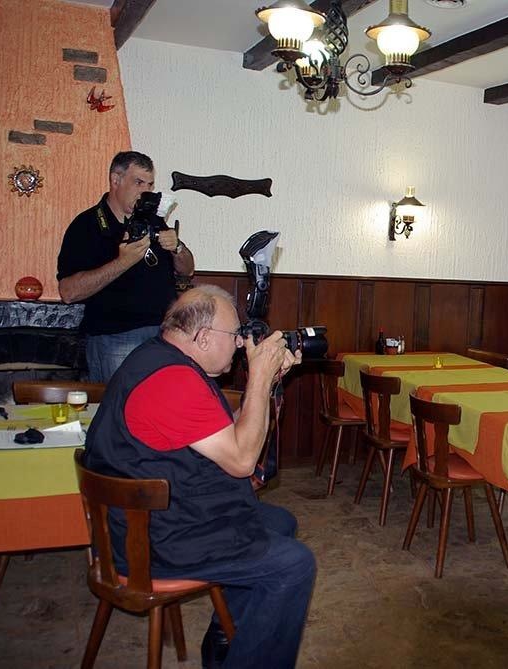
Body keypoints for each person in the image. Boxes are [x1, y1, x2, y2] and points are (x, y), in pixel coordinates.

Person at [82, 285, 315, 669]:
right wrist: (258, 379)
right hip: (148, 542)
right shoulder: (172, 382)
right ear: (203, 337)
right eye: (235, 334)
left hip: (153, 517)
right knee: (294, 564)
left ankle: (225, 641)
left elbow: (230, 435)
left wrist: (268, 382)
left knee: (279, 522)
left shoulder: (161, 360)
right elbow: (242, 461)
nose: (240, 343)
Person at [58, 151, 195, 383]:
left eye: (150, 185)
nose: (145, 192)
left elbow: (187, 270)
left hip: (164, 333)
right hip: (116, 338)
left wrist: (178, 248)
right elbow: (68, 292)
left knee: (159, 403)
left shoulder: (153, 220)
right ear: (115, 180)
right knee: (121, 404)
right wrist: (123, 262)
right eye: (138, 183)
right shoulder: (87, 225)